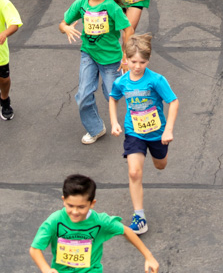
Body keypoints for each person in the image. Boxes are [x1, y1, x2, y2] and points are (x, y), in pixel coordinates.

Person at [109, 32, 179, 236]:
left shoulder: (156, 80)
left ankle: (160, 153)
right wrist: (114, 122)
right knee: (134, 172)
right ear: (126, 59)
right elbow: (113, 98)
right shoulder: (122, 82)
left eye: (142, 62)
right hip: (134, 132)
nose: (138, 66)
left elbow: (173, 102)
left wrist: (168, 130)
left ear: (148, 60)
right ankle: (139, 218)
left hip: (157, 133)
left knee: (160, 165)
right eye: (133, 62)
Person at [59, 0, 132, 145]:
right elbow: (62, 24)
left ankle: (135, 97)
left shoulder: (111, 6)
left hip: (111, 59)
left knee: (112, 95)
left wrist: (125, 55)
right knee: (83, 94)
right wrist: (66, 28)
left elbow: (128, 30)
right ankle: (96, 128)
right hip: (89, 54)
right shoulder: (81, 3)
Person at [29, 173, 159, 273]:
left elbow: (126, 231)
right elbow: (35, 249)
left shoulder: (100, 221)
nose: (75, 212)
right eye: (70, 205)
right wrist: (46, 269)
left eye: (81, 207)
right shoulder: (55, 221)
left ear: (92, 203)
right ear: (63, 200)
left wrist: (149, 257)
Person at [0, 0, 21, 120]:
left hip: (0, 52)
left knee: (4, 79)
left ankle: (4, 99)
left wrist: (4, 33)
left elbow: (14, 23)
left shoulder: (1, 1)